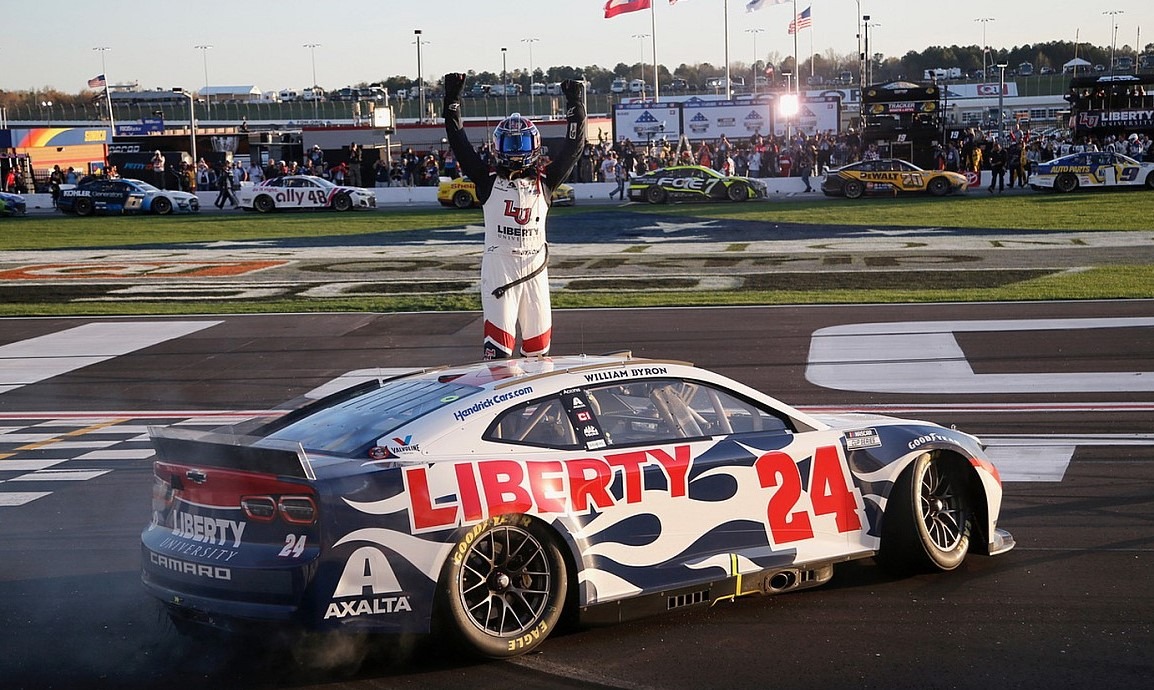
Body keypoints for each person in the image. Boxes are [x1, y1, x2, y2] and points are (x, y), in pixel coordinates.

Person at [443, 72, 587, 360]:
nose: (517, 151)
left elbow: (575, 148)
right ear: (498, 146)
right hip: (500, 271)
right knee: (498, 352)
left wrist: (576, 103)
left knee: (539, 351)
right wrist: (452, 100)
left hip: (536, 270)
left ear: (534, 146)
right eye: (511, 144)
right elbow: (459, 143)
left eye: (521, 144)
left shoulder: (545, 182)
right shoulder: (487, 180)